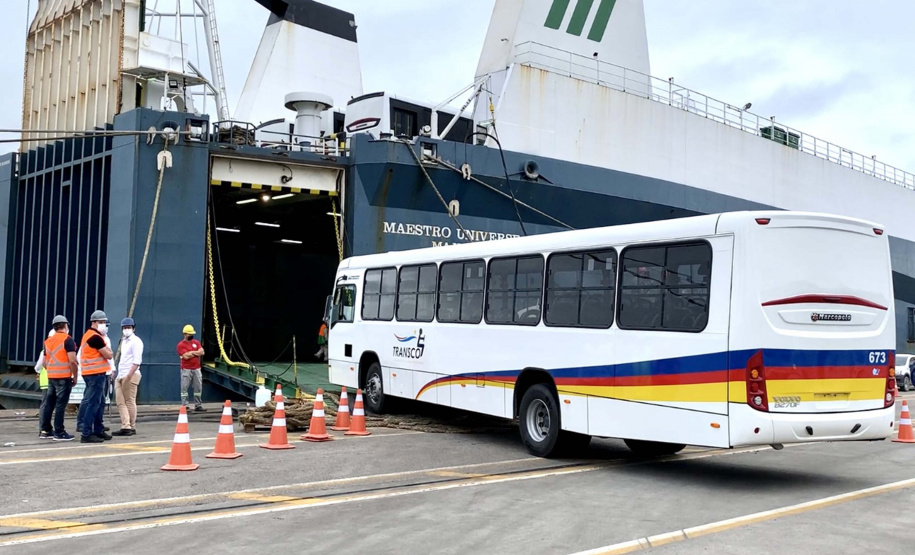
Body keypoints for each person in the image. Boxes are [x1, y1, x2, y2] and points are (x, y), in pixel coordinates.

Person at [38, 315, 78, 441]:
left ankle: (45, 430)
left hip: (52, 377)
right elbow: (73, 361)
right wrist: (75, 376)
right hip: (64, 377)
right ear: (65, 326)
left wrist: (52, 370)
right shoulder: (68, 340)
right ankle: (59, 432)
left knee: (49, 404)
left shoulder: (48, 341)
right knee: (61, 405)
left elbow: (44, 362)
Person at [79, 310, 114, 443]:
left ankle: (98, 430)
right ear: (93, 322)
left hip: (92, 374)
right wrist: (108, 351)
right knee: (94, 404)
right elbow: (109, 355)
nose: (104, 325)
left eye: (104, 322)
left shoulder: (89, 335)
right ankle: (87, 433)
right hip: (95, 374)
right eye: (101, 322)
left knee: (99, 403)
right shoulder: (95, 337)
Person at [112, 318, 143, 436]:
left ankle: (129, 426)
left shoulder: (136, 341)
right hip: (121, 374)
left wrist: (128, 376)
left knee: (129, 401)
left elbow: (137, 361)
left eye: (128, 327)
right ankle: (127, 425)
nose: (126, 330)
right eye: (124, 328)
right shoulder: (124, 341)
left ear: (133, 328)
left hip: (131, 374)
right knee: (120, 401)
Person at [177, 324, 206, 412]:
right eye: (190, 334)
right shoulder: (180, 345)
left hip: (196, 368)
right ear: (185, 334)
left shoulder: (196, 342)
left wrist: (192, 353)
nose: (191, 335)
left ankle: (198, 405)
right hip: (186, 369)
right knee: (184, 388)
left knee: (198, 387)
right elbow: (185, 356)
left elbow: (202, 352)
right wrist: (196, 352)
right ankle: (185, 405)